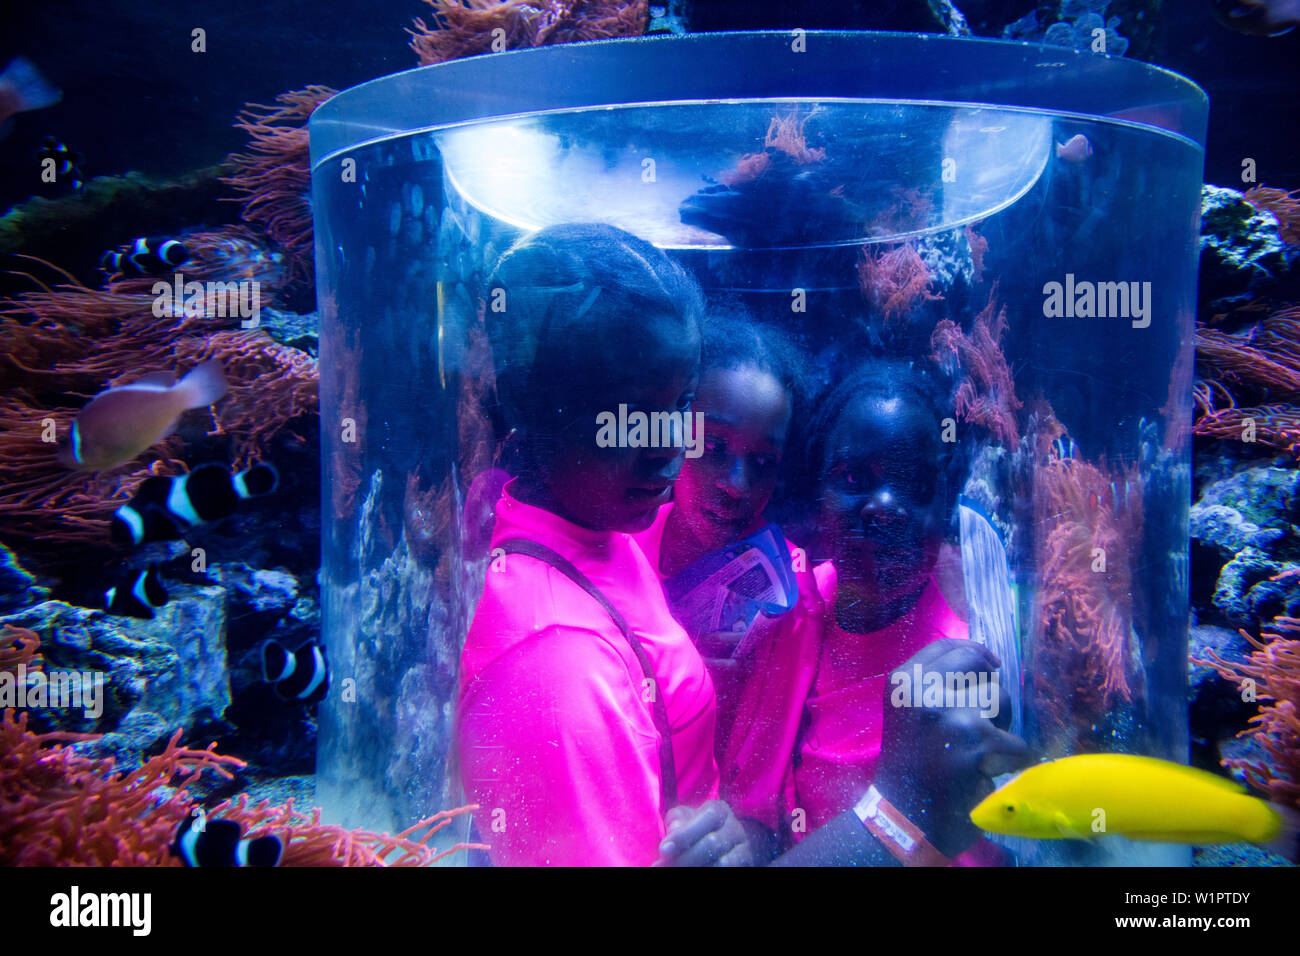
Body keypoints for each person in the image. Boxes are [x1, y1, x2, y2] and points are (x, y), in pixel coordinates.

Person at [456, 223, 753, 866]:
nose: (671, 442)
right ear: (532, 407)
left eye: (682, 404)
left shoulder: (581, 518)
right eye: (628, 415)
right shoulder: (559, 664)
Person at [787, 360, 1028, 865]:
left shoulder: (961, 676)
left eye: (915, 485)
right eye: (854, 477)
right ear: (816, 495)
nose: (885, 507)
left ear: (946, 507)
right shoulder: (787, 610)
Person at [631, 309, 822, 861]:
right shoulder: (624, 544)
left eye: (762, 462)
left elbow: (758, 817)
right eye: (713, 447)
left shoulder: (790, 603)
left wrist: (733, 839)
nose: (737, 485)